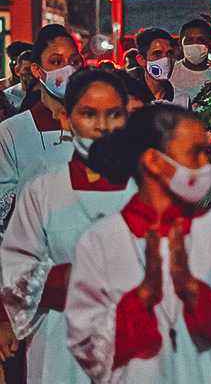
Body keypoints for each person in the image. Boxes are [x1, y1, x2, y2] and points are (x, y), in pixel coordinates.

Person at [65, 105, 211, 382]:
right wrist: (143, 298)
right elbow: (84, 337)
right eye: (194, 153)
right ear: (155, 161)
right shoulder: (101, 240)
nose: (205, 165)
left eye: (205, 153)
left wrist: (191, 289)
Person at [0, 69, 133, 384]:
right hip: (59, 345)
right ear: (65, 119)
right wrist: (64, 278)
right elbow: (15, 268)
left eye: (113, 114)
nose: (102, 126)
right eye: (89, 114)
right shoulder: (41, 189)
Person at [0, 25, 81, 223]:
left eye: (74, 62)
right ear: (37, 70)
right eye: (56, 62)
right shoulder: (11, 132)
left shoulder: (97, 127)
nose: (68, 69)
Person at [133, 28, 191, 109]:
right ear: (142, 60)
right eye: (157, 54)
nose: (166, 60)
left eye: (169, 53)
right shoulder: (130, 97)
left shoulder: (183, 99)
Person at [170, 19, 211, 99]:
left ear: (210, 44)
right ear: (180, 44)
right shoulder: (169, 74)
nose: (195, 44)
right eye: (189, 40)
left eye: (201, 40)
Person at [3, 46, 34, 110]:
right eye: (27, 69)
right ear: (17, 71)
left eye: (35, 69)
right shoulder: (7, 96)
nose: (33, 73)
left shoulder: (47, 95)